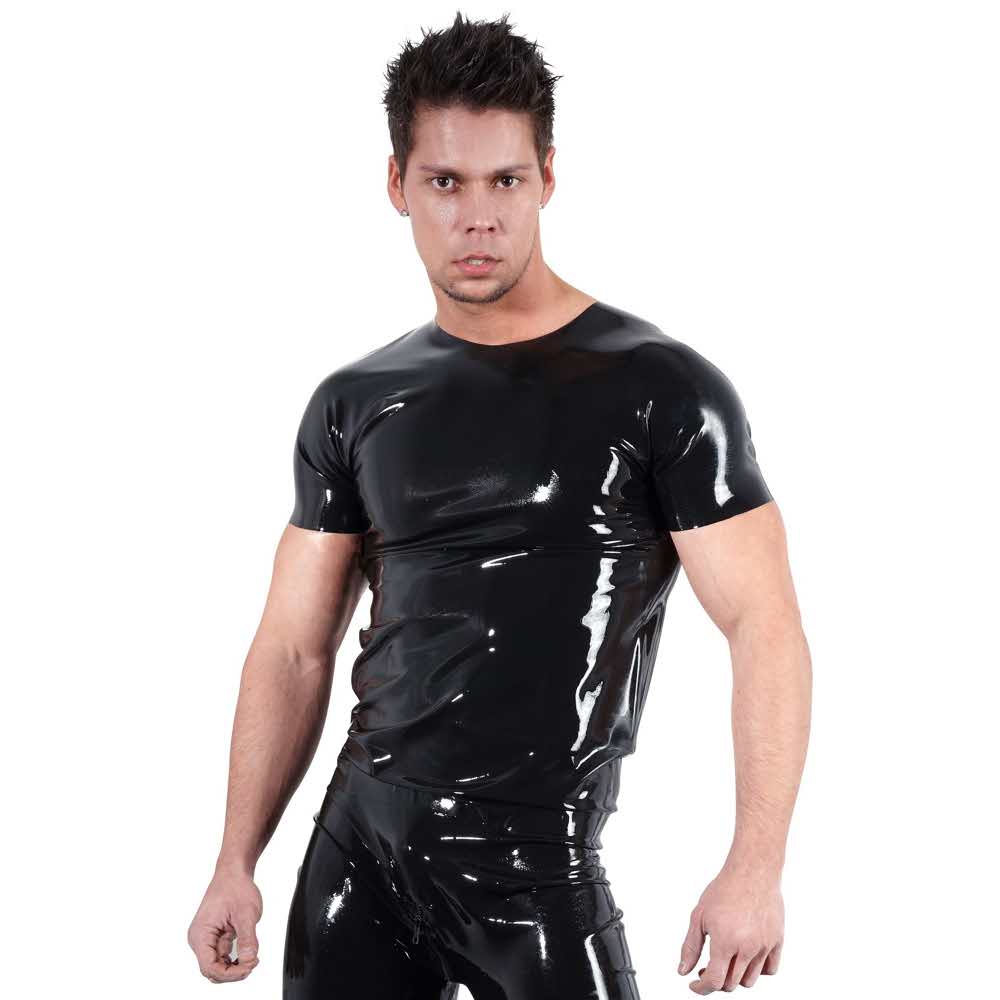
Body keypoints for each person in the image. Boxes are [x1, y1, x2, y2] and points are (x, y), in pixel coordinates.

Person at [187, 12, 812, 998]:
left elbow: (763, 626)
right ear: (397, 184)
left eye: (505, 181)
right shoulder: (354, 401)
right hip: (357, 853)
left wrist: (756, 867)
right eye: (445, 182)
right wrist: (235, 859)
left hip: (536, 867)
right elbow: (293, 648)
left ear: (547, 178)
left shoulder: (661, 387)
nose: (477, 217)